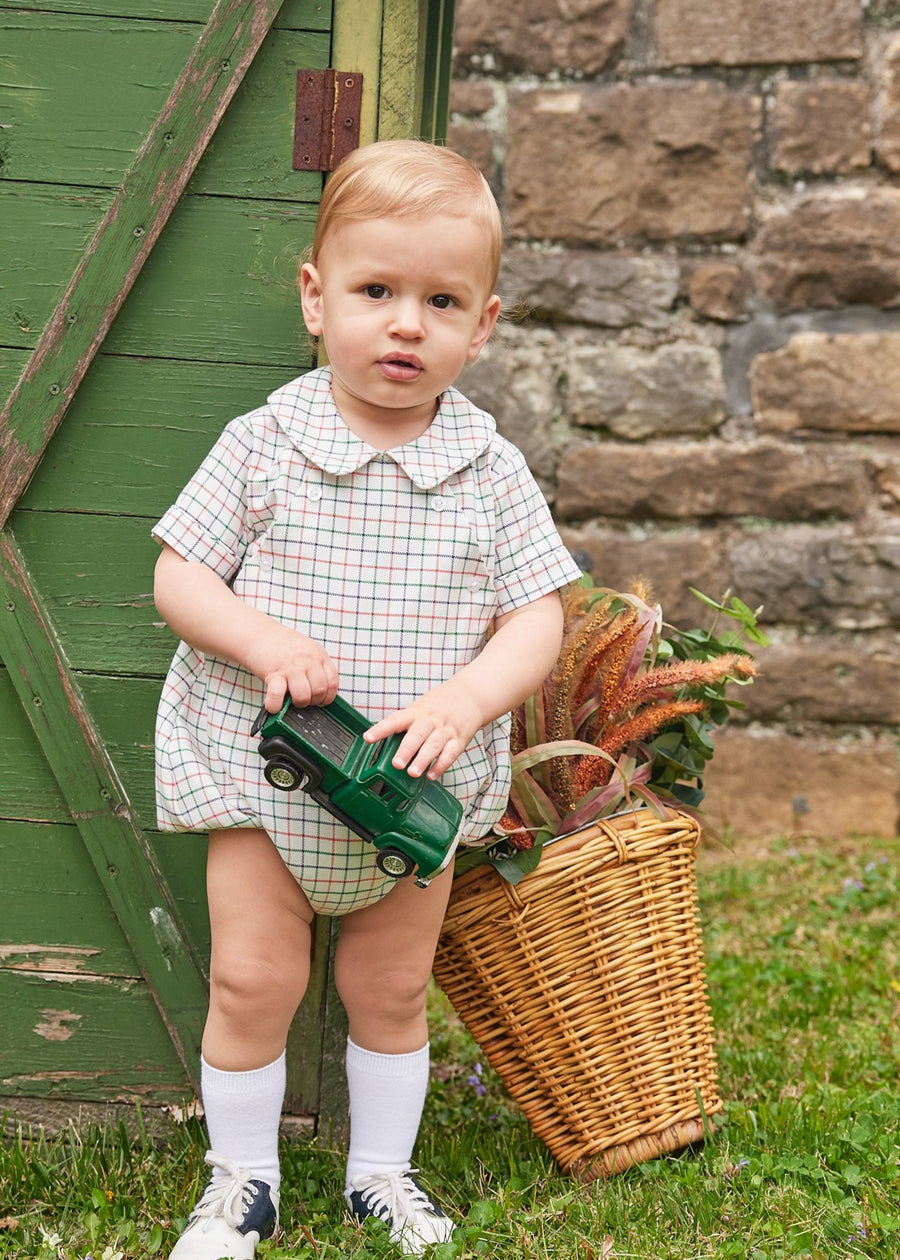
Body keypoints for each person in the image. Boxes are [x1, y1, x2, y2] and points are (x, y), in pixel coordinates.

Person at [153, 138, 582, 1259]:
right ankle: (238, 1184)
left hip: (410, 786)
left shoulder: (488, 470)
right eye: (377, 291)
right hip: (272, 773)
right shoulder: (266, 444)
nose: (406, 324)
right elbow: (178, 574)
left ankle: (380, 1177)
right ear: (316, 298)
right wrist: (261, 636)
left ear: (482, 325)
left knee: (391, 988)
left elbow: (540, 613)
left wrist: (469, 700)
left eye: (441, 301)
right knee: (254, 977)